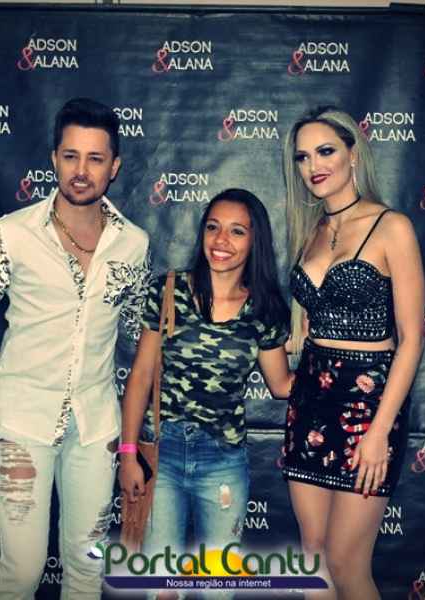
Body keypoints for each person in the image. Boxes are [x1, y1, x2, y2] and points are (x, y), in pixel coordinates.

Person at [0, 98, 150, 600]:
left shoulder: (133, 244)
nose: (82, 171)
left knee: (86, 570)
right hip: (21, 424)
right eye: (71, 156)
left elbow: (140, 330)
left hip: (96, 427)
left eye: (95, 158)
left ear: (114, 167)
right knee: (22, 572)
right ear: (54, 159)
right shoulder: (11, 234)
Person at [118, 189, 293, 598]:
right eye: (213, 227)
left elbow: (282, 385)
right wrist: (127, 454)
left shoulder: (264, 310)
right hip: (162, 455)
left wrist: (339, 366)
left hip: (223, 462)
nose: (221, 240)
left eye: (237, 231)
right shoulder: (169, 291)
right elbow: (140, 376)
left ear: (255, 240)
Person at [280, 106, 425, 600]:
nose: (313, 165)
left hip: (368, 404)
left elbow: (411, 339)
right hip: (309, 400)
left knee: (346, 563)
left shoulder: (391, 226)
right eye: (303, 157)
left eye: (325, 151)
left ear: (353, 153)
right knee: (314, 556)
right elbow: (307, 319)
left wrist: (379, 431)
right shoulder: (309, 230)